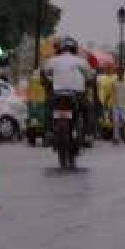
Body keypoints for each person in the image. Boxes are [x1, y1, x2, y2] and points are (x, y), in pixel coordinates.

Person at [42, 36, 95, 168]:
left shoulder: (53, 61)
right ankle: (88, 134)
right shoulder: (81, 61)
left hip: (57, 95)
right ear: (74, 49)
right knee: (88, 109)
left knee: (48, 107)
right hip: (76, 95)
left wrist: (47, 82)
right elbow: (90, 76)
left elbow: (44, 73)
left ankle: (48, 131)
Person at [111, 66, 125, 144]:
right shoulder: (114, 82)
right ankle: (116, 138)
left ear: (123, 73)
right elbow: (113, 93)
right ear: (117, 73)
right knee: (116, 122)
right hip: (116, 105)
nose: (119, 74)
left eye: (121, 72)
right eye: (118, 72)